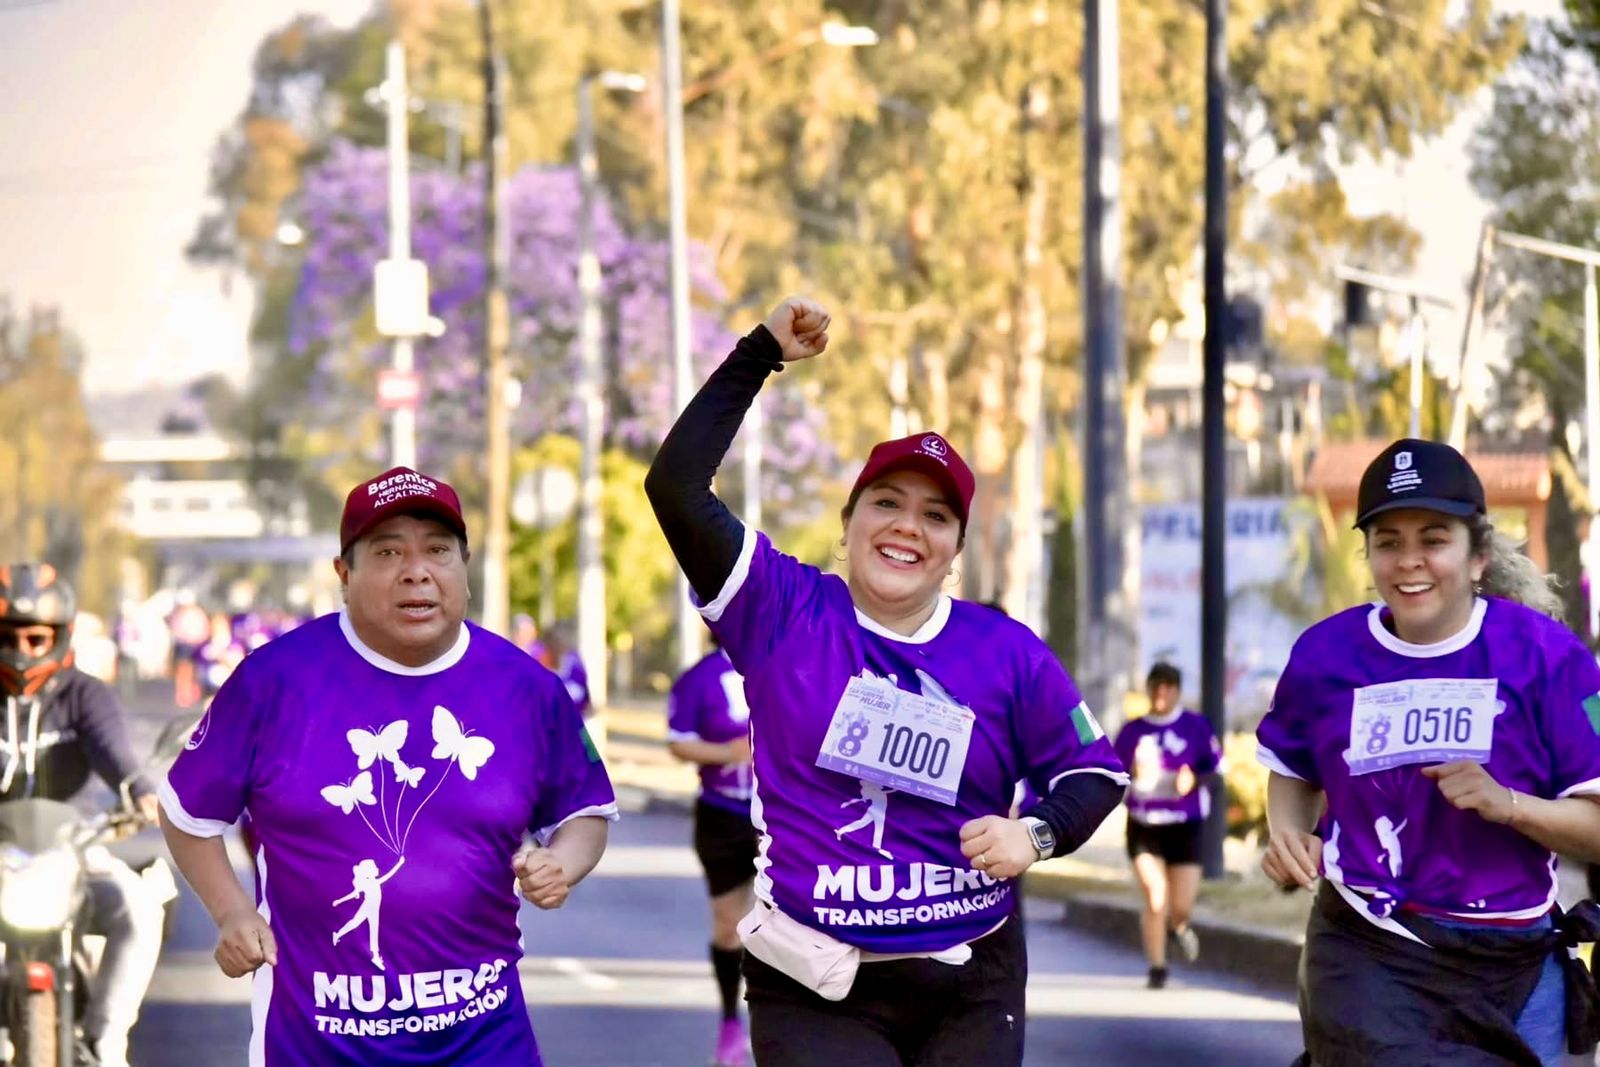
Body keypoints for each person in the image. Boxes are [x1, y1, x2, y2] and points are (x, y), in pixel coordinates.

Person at [645, 296, 1128, 1067]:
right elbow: (675, 486)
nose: (908, 525)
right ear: (849, 524)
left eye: (936, 516)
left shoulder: (1004, 650)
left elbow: (1094, 772)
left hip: (971, 974)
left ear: (954, 549)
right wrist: (761, 352)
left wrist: (1033, 833)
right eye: (888, 502)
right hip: (813, 976)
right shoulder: (781, 608)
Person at [159, 465, 618, 1065]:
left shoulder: (527, 688)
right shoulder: (273, 682)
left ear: (464, 568)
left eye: (437, 550)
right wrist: (232, 912)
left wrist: (561, 863)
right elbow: (185, 813)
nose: (416, 570)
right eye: (388, 551)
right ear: (344, 575)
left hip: (485, 1040)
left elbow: (585, 811)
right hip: (315, 1042)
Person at [1257, 438, 1600, 1066]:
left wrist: (1510, 806)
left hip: (1516, 959)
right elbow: (1292, 769)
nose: (1410, 561)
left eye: (1433, 538)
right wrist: (1289, 835)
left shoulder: (1550, 658)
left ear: (1478, 557)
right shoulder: (1325, 657)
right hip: (1372, 944)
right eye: (1388, 541)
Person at [0, 563, 165, 1067]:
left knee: (139, 910)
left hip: (73, 845)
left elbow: (115, 751)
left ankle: (103, 1040)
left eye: (36, 637)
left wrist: (140, 792)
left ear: (59, 636)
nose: (23, 650)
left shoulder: (84, 695)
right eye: (8, 637)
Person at [667, 638, 758, 1067]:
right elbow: (679, 741)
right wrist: (728, 753)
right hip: (723, 815)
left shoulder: (785, 662)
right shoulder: (698, 679)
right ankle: (729, 1021)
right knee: (729, 926)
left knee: (798, 923)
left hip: (783, 817)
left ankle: (788, 1020)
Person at [1112, 662, 1222, 989]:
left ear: (1177, 690)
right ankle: (1157, 967)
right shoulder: (1132, 731)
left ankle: (1180, 927)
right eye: (1156, 685)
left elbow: (1215, 772)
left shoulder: (1196, 726)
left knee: (1180, 905)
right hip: (1145, 824)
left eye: (1169, 686)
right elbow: (1111, 776)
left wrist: (1193, 779)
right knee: (1155, 895)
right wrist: (1131, 774)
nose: (1161, 692)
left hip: (1185, 825)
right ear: (1148, 688)